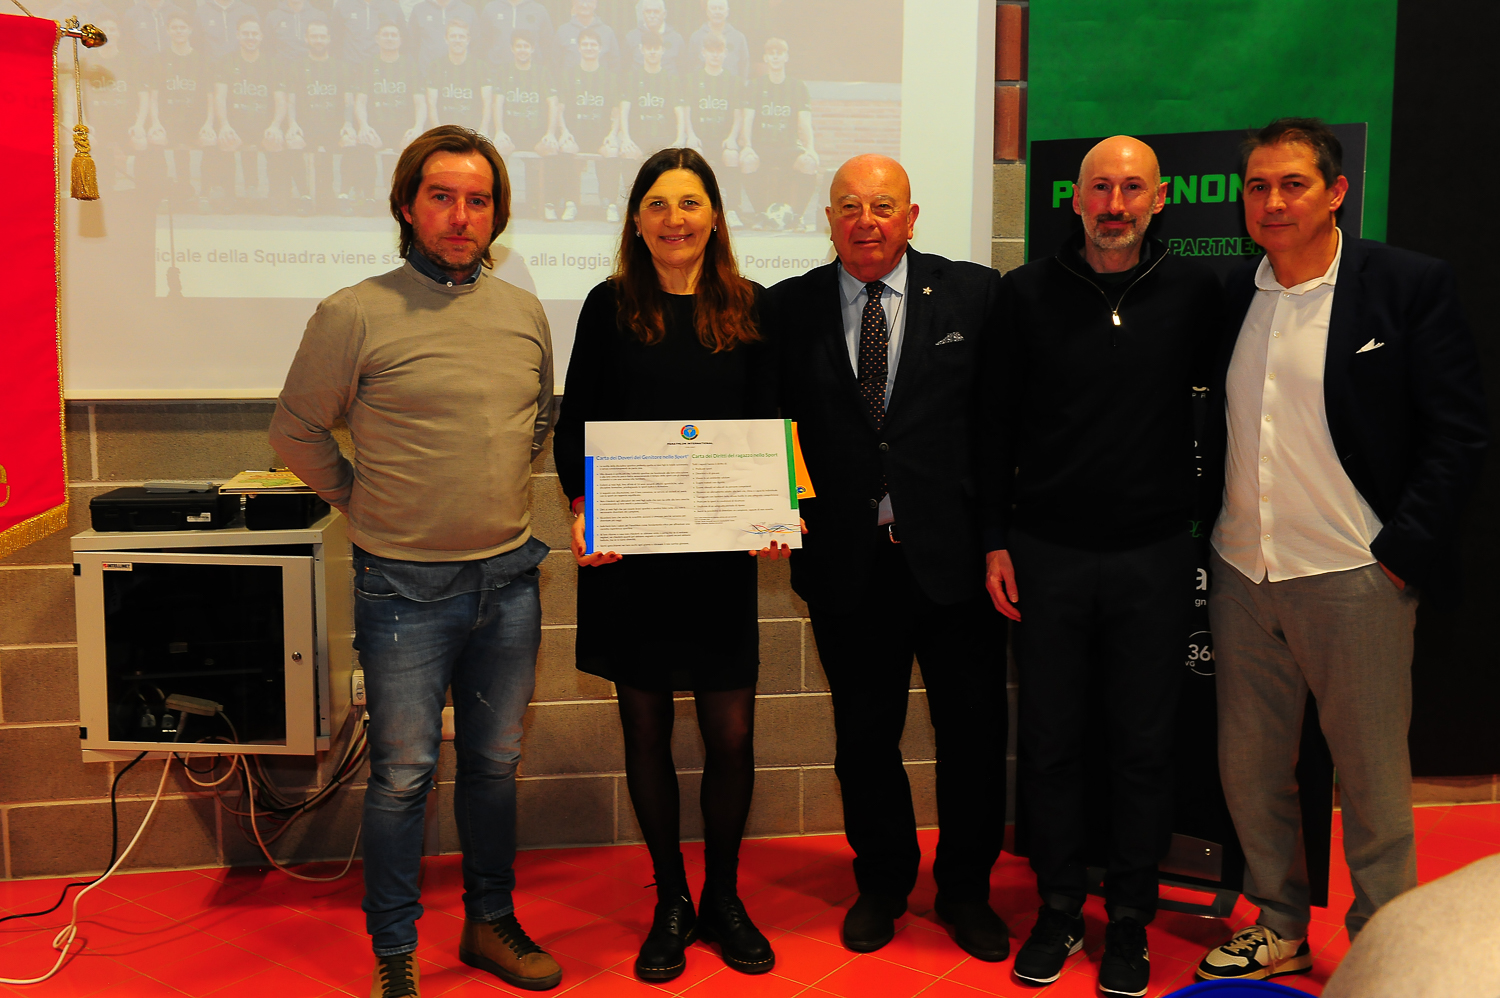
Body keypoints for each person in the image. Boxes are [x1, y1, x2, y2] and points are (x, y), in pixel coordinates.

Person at [268, 124, 563, 998]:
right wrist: (359, 498)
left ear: (496, 214)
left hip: (508, 583)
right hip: (401, 590)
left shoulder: (523, 311)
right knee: (402, 776)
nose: (460, 216)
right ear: (407, 206)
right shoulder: (353, 311)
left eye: (478, 201)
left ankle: (490, 923)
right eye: (442, 197)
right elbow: (294, 431)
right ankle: (395, 950)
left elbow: (535, 424)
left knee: (495, 767)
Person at [1196, 117, 1488, 981]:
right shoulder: (1229, 296)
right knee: (1249, 772)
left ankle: (1385, 944)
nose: (1273, 201)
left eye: (1292, 184)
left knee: (1371, 784)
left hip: (1356, 577)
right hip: (1245, 571)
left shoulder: (1404, 286)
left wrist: (1399, 551)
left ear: (1335, 191)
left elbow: (1458, 435)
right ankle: (1279, 923)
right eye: (1257, 186)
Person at [982, 135, 1225, 997]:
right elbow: (994, 427)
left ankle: (1127, 919)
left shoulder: (1198, 294)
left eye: (1132, 188)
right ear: (1073, 200)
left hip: (1153, 558)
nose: (1115, 203)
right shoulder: (1025, 295)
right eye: (1099, 188)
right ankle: (1055, 911)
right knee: (1048, 745)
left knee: (1144, 746)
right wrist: (996, 539)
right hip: (1045, 554)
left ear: (1161, 199)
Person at [769, 155, 1009, 961]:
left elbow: (1000, 433)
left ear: (911, 217)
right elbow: (769, 432)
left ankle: (966, 890)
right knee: (863, 737)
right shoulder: (788, 309)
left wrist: (1000, 540)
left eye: (881, 206)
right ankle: (883, 882)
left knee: (971, 733)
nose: (864, 221)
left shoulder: (974, 295)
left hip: (956, 565)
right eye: (847, 207)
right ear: (827, 219)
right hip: (846, 565)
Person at [554, 146, 778, 984]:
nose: (674, 218)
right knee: (644, 730)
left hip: (719, 559)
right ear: (636, 220)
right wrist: (583, 510)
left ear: (714, 215)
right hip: (631, 556)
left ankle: (723, 895)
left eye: (690, 202)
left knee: (732, 733)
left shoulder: (750, 308)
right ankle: (671, 900)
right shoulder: (608, 306)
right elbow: (576, 423)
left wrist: (775, 507)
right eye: (657, 203)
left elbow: (771, 422)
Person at [212, 14, 290, 209]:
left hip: (263, 125)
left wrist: (275, 126)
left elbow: (280, 100)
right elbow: (219, 97)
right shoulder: (226, 62)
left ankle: (275, 198)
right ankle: (229, 196)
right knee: (226, 141)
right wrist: (224, 125)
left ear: (261, 36)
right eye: (246, 33)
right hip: (236, 124)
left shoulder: (273, 63)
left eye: (254, 34)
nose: (250, 38)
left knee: (275, 141)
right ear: (237, 35)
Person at [739, 37, 816, 231]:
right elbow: (747, 121)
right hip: (762, 146)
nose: (775, 57)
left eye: (779, 53)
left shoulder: (798, 87)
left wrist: (810, 149)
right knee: (747, 161)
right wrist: (747, 146)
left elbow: (804, 123)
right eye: (771, 54)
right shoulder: (755, 86)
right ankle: (761, 215)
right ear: (765, 58)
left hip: (788, 146)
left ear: (786, 57)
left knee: (808, 163)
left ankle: (797, 217)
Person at [284, 17, 357, 212]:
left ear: (329, 39)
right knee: (293, 141)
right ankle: (305, 196)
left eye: (322, 36)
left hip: (334, 127)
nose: (318, 40)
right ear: (306, 39)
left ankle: (343, 196)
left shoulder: (341, 67)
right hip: (307, 127)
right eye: (314, 36)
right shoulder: (297, 66)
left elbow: (348, 100)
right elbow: (290, 100)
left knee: (350, 140)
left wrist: (348, 123)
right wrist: (292, 124)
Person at [550, 26, 620, 222]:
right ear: (579, 48)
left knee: (612, 150)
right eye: (585, 44)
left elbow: (616, 111)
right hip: (575, 134)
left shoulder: (609, 76)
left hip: (601, 135)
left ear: (600, 48)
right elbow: (560, 109)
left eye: (593, 44)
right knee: (566, 148)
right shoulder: (569, 74)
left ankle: (610, 204)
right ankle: (571, 203)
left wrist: (613, 134)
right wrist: (563, 132)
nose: (589, 48)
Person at [354, 22, 426, 206]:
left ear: (400, 40)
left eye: (394, 35)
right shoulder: (368, 65)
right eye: (385, 34)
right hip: (376, 127)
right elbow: (360, 101)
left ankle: (400, 199)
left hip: (403, 128)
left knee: (411, 152)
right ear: (377, 39)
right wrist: (364, 126)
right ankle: (368, 197)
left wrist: (417, 128)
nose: (389, 38)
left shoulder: (410, 65)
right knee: (364, 145)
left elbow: (420, 103)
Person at [147, 11, 217, 202]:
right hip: (169, 119)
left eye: (182, 27)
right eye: (174, 28)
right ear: (168, 31)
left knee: (209, 140)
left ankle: (204, 192)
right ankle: (168, 192)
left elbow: (210, 96)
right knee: (156, 138)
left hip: (195, 120)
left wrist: (209, 123)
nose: (179, 31)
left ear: (190, 30)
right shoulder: (159, 59)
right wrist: (155, 122)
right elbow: (154, 95)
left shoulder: (201, 60)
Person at [492, 29, 557, 218]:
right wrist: (499, 131)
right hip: (511, 133)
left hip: (536, 134)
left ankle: (546, 204)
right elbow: (498, 103)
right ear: (512, 49)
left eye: (526, 46)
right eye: (519, 46)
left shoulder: (542, 72)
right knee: (500, 150)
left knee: (551, 149)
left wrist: (550, 133)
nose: (522, 50)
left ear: (532, 49)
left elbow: (552, 104)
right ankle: (500, 204)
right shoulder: (504, 71)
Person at [617, 28, 683, 163]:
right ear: (642, 49)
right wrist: (626, 137)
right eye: (649, 48)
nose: (652, 51)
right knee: (629, 155)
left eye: (656, 48)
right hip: (638, 138)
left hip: (664, 139)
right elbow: (624, 109)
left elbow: (679, 110)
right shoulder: (632, 77)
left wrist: (680, 138)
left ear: (662, 50)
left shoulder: (671, 78)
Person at [425, 21, 491, 133]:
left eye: (461, 36)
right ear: (446, 39)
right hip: (445, 130)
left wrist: (482, 131)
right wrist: (438, 131)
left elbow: (487, 102)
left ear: (468, 40)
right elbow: (431, 103)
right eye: (453, 36)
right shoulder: (436, 66)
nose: (457, 40)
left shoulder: (480, 66)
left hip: (472, 130)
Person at [685, 0, 748, 81]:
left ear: (727, 11)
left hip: (730, 87)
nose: (717, 12)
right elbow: (690, 66)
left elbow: (744, 66)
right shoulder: (696, 37)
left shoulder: (738, 37)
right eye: (714, 8)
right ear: (707, 11)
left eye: (721, 8)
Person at [479, 0, 553, 67]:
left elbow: (547, 45)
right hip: (497, 72)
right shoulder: (491, 8)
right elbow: (483, 43)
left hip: (529, 75)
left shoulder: (539, 10)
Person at [331, 0, 404, 66]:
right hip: (351, 67)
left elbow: (403, 40)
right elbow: (335, 39)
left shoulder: (393, 7)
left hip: (382, 69)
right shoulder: (342, 5)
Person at [408, 0, 477, 68]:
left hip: (460, 75)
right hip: (427, 73)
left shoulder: (468, 10)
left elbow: (476, 45)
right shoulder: (419, 9)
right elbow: (412, 45)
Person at [555, 0, 618, 70]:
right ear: (573, 3)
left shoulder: (607, 32)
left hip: (600, 80)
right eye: (580, 1)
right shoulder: (563, 31)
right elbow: (555, 63)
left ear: (595, 3)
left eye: (589, 1)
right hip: (569, 80)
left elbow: (615, 63)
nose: (584, 5)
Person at [623, 0, 682, 73]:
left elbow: (682, 69)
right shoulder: (631, 37)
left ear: (664, 14)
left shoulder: (676, 39)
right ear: (643, 14)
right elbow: (624, 68)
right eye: (648, 11)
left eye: (656, 11)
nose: (652, 16)